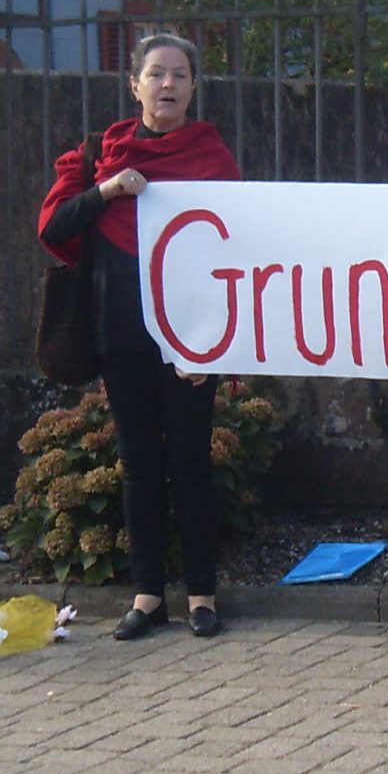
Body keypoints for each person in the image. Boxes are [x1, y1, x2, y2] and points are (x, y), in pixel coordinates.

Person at [38, 34, 241, 640]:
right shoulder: (100, 153)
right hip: (120, 332)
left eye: (180, 75)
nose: (168, 85)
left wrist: (214, 344)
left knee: (191, 462)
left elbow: (238, 249)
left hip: (188, 339)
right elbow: (53, 227)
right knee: (138, 465)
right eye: (156, 74)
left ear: (194, 87)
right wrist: (106, 191)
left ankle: (201, 595)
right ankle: (148, 594)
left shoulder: (213, 159)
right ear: (135, 85)